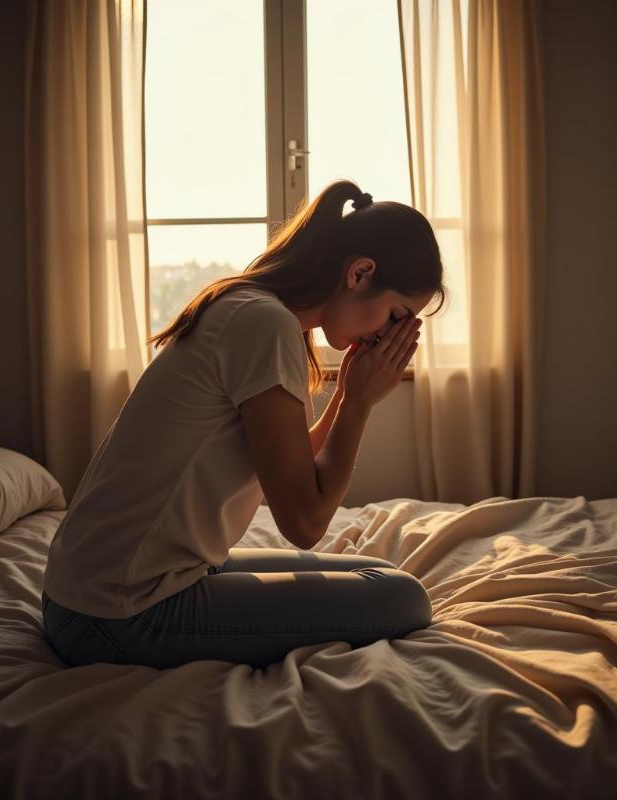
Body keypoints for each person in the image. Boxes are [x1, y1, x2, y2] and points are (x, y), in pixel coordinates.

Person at [41, 179, 447, 670]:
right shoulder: (265, 325)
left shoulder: (257, 310)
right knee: (403, 599)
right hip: (117, 612)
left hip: (110, 591)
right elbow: (303, 523)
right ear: (360, 274)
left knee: (377, 574)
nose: (389, 335)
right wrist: (358, 404)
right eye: (395, 315)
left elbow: (295, 470)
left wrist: (347, 393)